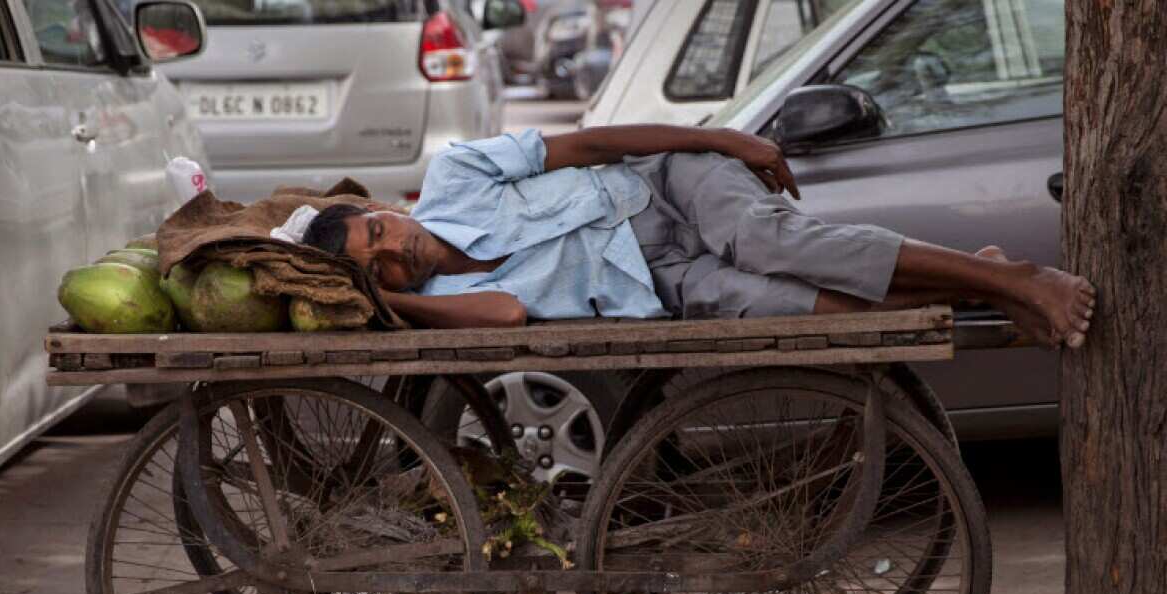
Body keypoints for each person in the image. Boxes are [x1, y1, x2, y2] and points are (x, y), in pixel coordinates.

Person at [302, 125, 1095, 348]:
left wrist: (718, 141)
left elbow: (592, 144)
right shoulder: (445, 300)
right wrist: (395, 306)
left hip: (667, 189)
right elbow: (508, 313)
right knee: (810, 311)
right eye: (379, 268)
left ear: (386, 208)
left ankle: (1021, 280)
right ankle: (982, 276)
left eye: (378, 230)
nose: (394, 249)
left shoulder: (456, 175)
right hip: (663, 283)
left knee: (772, 243)